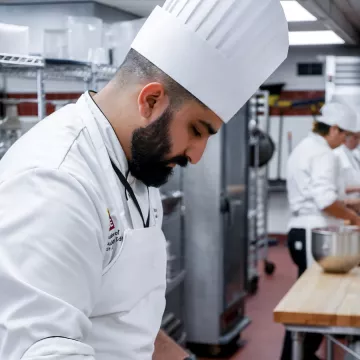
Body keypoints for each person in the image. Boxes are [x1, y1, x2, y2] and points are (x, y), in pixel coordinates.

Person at [0, 1, 289, 359]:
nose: (197, 155)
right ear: (151, 100)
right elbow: (42, 352)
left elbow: (128, 322)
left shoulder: (136, 170)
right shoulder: (54, 184)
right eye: (197, 130)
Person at [280, 102, 360, 360]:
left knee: (311, 300)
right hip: (312, 233)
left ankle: (302, 353)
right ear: (334, 129)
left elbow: (325, 194)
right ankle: (297, 354)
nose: (347, 141)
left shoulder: (307, 147)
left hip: (302, 232)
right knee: (315, 303)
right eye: (346, 135)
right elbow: (325, 200)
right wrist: (354, 219)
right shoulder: (323, 153)